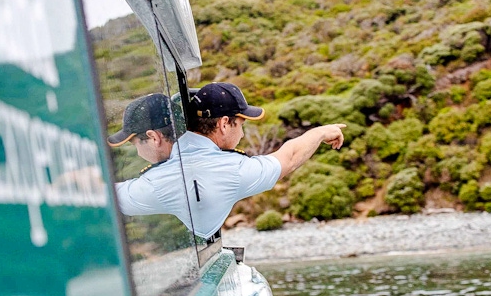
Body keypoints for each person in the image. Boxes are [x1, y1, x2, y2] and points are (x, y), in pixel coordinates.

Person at [112, 83, 345, 239]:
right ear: (224, 124)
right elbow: (290, 157)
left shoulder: (157, 180)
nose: (242, 134)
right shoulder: (231, 170)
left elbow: (108, 198)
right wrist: (320, 133)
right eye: (241, 124)